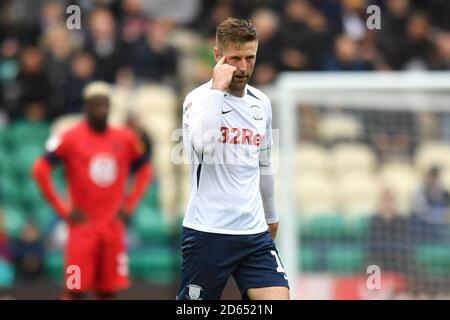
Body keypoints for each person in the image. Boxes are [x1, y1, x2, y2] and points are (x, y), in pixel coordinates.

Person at [177, 17, 289, 300]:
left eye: (249, 58)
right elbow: (203, 145)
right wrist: (217, 89)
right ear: (217, 55)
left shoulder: (261, 103)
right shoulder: (198, 99)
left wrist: (271, 215)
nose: (242, 67)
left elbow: (264, 164)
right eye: (235, 58)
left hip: (253, 234)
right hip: (208, 232)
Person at [31, 81, 153, 299]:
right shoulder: (69, 137)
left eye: (105, 105)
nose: (101, 110)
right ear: (85, 107)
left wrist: (130, 205)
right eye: (96, 105)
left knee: (108, 291)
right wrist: (63, 209)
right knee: (74, 289)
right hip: (81, 229)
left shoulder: (124, 138)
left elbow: (145, 169)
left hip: (112, 228)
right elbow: (40, 170)